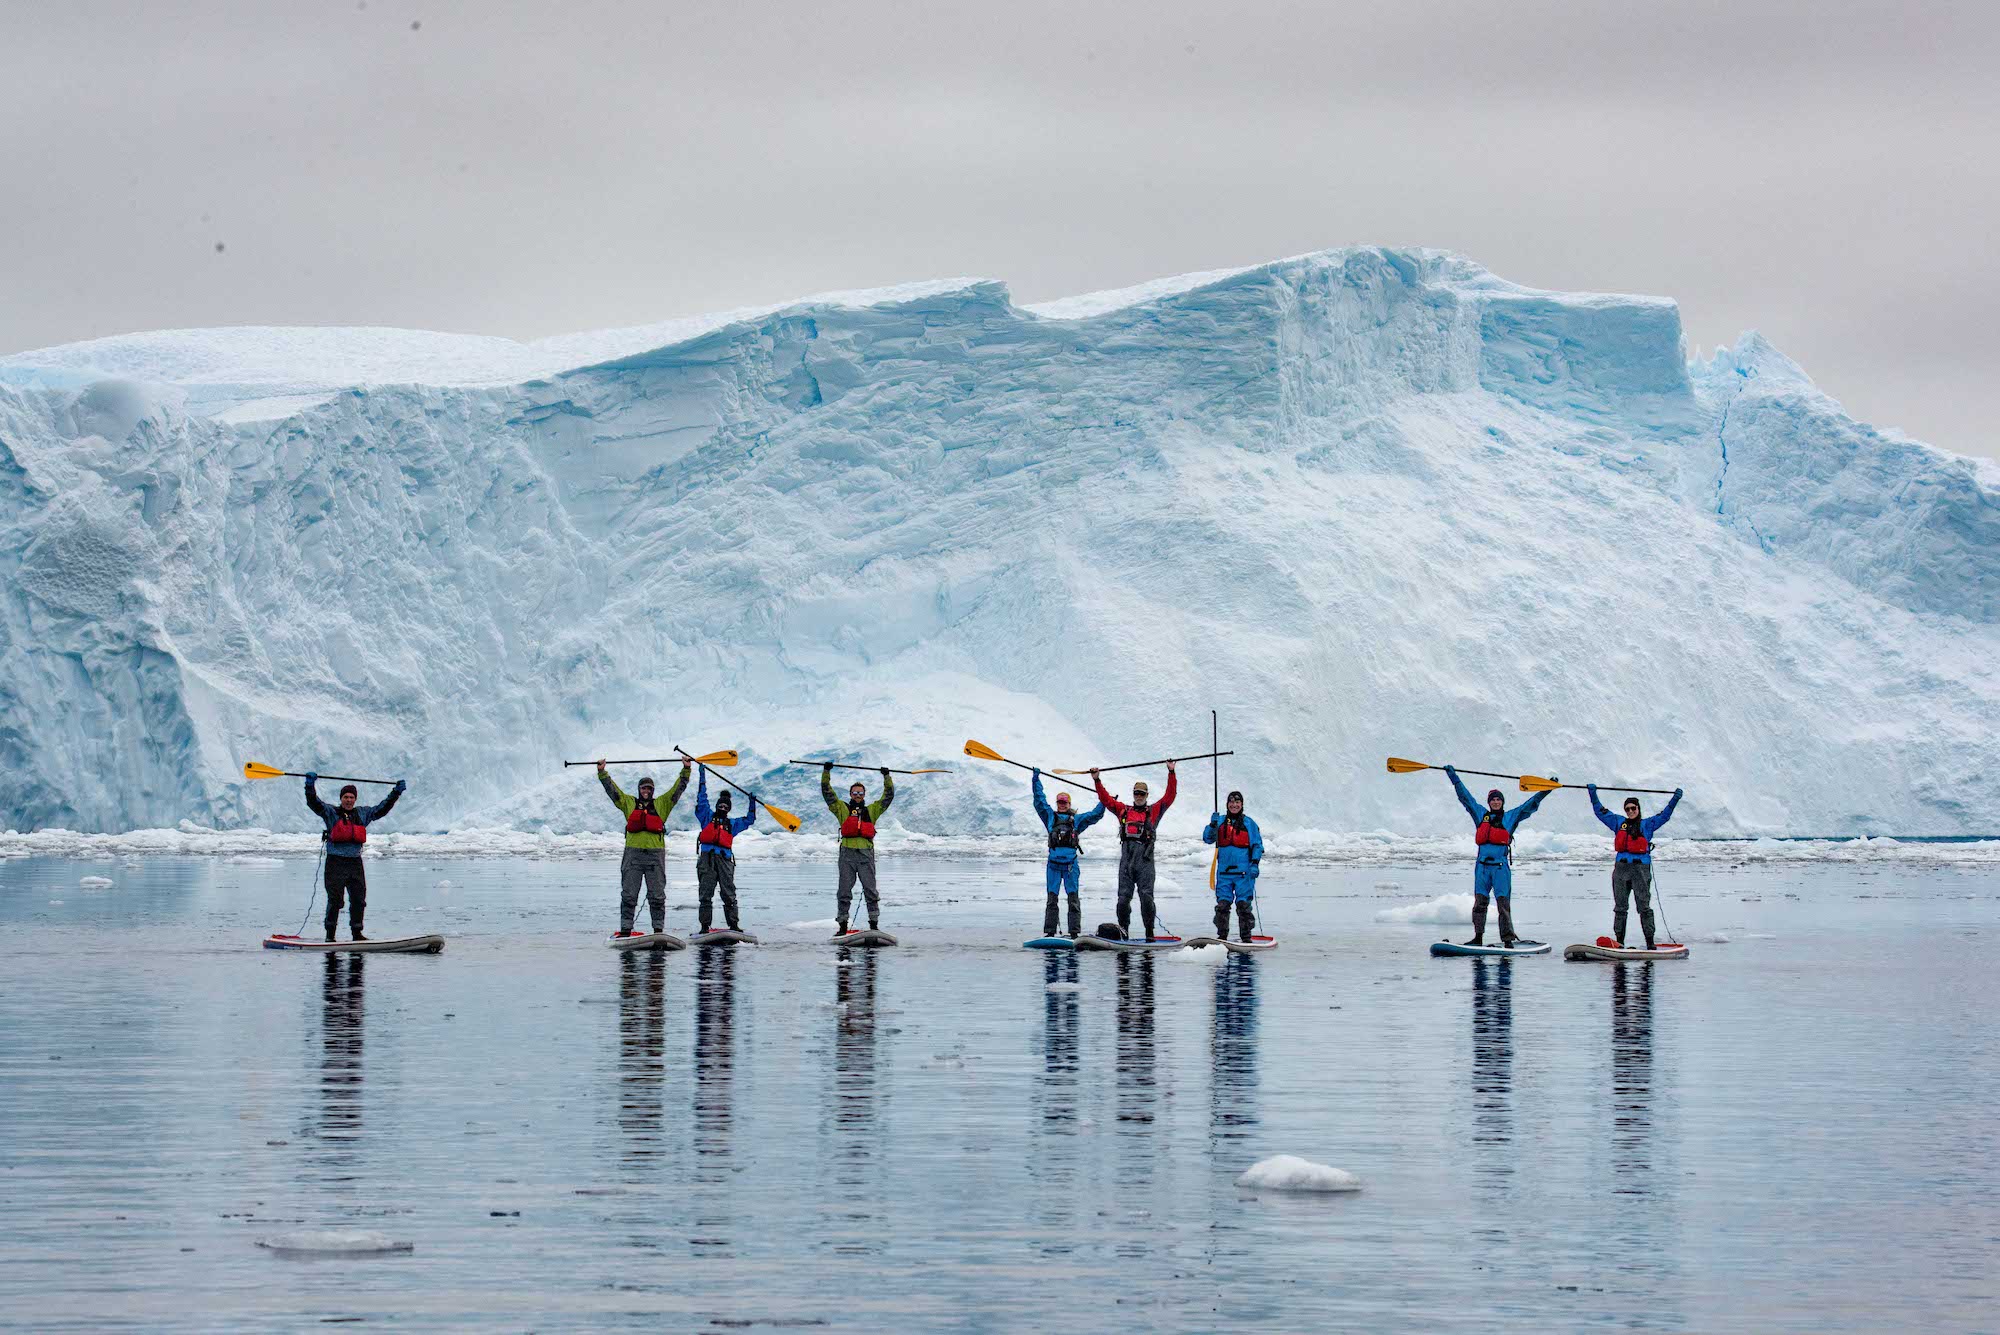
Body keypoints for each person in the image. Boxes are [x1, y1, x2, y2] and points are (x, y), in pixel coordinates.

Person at [1445, 767, 1553, 947]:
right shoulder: (1480, 815)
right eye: (1493, 800)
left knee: (1503, 905)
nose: (1496, 802)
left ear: (1502, 802)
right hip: (1482, 868)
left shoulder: (1511, 817)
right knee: (1480, 903)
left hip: (1500, 868)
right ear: (1489, 803)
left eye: (1498, 799)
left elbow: (1530, 804)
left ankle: (1508, 940)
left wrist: (1546, 791)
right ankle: (1478, 938)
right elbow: (1466, 798)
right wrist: (1453, 777)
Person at [304, 773, 407, 942]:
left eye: (352, 797)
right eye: (346, 797)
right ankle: (330, 936)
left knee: (359, 900)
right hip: (335, 863)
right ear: (341, 799)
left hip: (355, 863)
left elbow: (382, 809)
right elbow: (314, 803)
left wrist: (396, 792)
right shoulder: (331, 812)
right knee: (335, 900)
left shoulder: (363, 813)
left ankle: (357, 934)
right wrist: (309, 786)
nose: (349, 800)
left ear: (355, 799)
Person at [599, 758, 690, 937]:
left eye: (649, 788)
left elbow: (677, 790)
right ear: (639, 790)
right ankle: (626, 930)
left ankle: (658, 930)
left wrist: (686, 770)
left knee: (657, 896)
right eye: (643, 788)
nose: (646, 791)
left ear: (653, 790)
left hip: (655, 857)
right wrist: (603, 773)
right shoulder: (629, 803)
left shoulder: (663, 804)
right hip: (633, 856)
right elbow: (613, 792)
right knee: (629, 895)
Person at [1588, 785, 1684, 948]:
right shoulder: (1618, 822)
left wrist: (1675, 799)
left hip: (1640, 870)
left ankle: (1650, 942)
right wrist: (1593, 794)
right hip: (1621, 870)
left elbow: (1665, 815)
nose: (1630, 811)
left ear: (1638, 809)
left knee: (1644, 907)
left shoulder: (1648, 825)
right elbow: (1600, 812)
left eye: (1633, 808)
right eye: (1627, 809)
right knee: (1620, 908)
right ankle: (1619, 942)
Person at [1092, 762, 1177, 940]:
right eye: (1136, 793)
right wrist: (1097, 780)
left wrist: (1171, 772)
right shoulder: (1123, 811)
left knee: (1146, 898)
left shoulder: (1154, 811)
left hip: (1145, 862)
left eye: (1142, 793)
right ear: (1133, 794)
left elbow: (1170, 796)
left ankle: (1149, 933)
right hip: (1126, 862)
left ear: (1147, 795)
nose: (1139, 796)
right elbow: (1106, 800)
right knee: (1123, 900)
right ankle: (1124, 932)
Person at [1031, 769, 1106, 938]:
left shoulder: (1077, 820)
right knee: (1052, 899)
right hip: (1053, 866)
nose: (1062, 804)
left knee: (1073, 899)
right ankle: (1050, 933)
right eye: (1060, 802)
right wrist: (1036, 780)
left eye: (1064, 802)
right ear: (1057, 803)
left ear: (1069, 804)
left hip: (1071, 866)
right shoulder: (1049, 816)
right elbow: (1039, 801)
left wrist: (1105, 801)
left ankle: (1074, 933)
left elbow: (1096, 815)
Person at [824, 764, 894, 934]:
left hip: (865, 855)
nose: (857, 795)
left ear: (864, 795)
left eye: (860, 793)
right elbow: (827, 793)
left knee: (870, 890)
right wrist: (826, 772)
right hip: (847, 854)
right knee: (844, 891)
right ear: (850, 794)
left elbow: (888, 797)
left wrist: (887, 777)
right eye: (854, 793)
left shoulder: (872, 810)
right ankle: (842, 925)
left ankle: (874, 924)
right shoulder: (842, 809)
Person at [693, 768, 757, 934]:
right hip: (707, 859)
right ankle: (704, 927)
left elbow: (750, 819)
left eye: (725, 806)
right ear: (716, 806)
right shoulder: (706, 816)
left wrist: (752, 803)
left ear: (728, 809)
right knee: (705, 895)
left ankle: (734, 925)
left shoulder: (733, 824)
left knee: (729, 894)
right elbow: (702, 798)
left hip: (725, 861)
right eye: (720, 805)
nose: (722, 807)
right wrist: (702, 775)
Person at [1203, 790, 1264, 941]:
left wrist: (1255, 863)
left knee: (1244, 906)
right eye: (1231, 802)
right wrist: (1212, 825)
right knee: (1222, 906)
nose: (1234, 805)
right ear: (1227, 804)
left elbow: (1257, 845)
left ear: (1241, 804)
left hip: (1244, 874)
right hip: (1224, 874)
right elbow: (1207, 838)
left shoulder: (1250, 823)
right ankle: (1222, 936)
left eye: (1237, 802)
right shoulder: (1220, 822)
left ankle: (1246, 938)